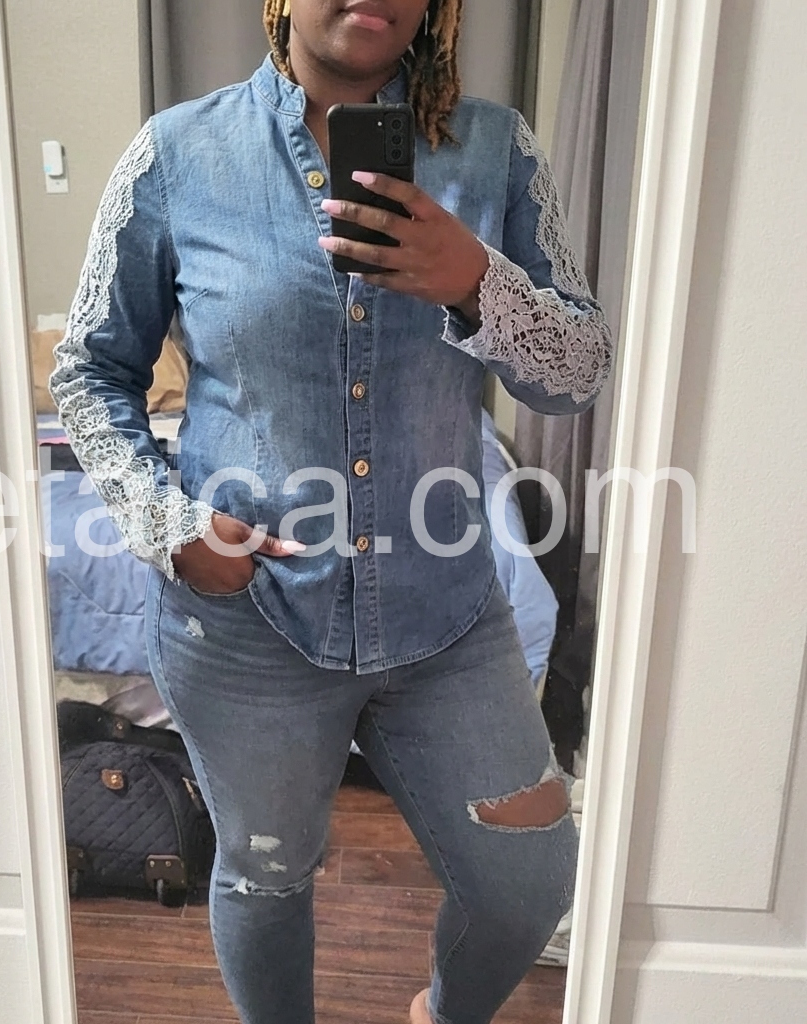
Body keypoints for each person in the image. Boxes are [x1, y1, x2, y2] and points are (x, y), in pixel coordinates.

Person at [50, 1, 612, 1021]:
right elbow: (89, 372)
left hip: (447, 618)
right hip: (248, 625)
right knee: (264, 877)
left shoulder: (494, 151)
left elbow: (577, 374)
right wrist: (165, 525)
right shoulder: (178, 155)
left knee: (527, 883)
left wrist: (474, 280)